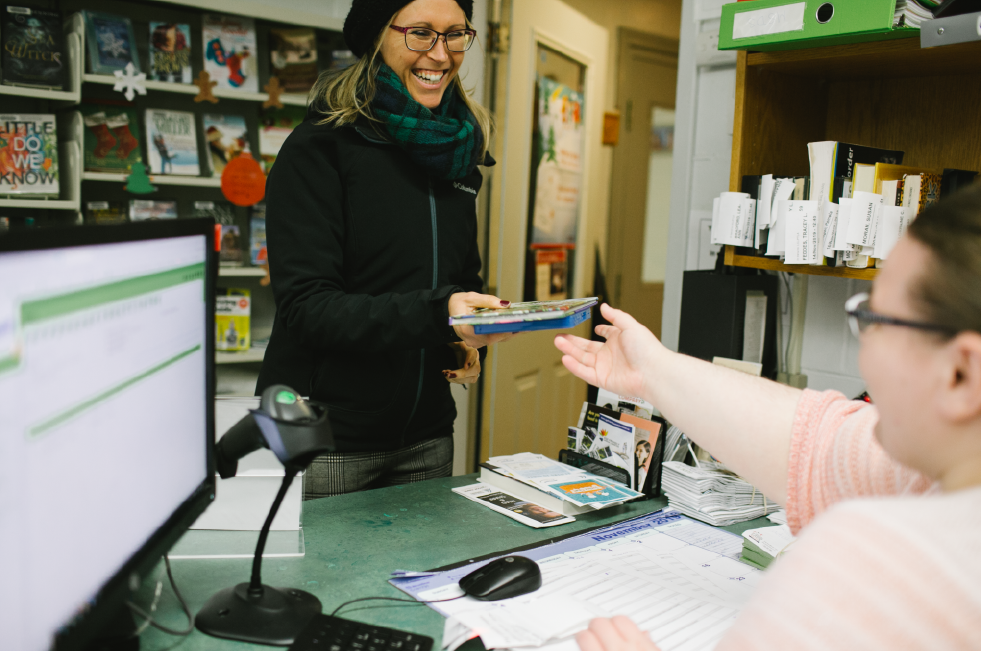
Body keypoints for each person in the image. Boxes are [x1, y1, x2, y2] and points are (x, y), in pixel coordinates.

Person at [555, 184, 981, 651]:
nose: (866, 352)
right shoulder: (936, 480)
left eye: (879, 320)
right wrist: (652, 371)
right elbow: (816, 445)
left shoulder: (878, 565)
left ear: (960, 373)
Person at [257, 0, 511, 498]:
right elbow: (308, 308)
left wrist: (463, 336)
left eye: (455, 34)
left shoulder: (459, 154)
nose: (440, 55)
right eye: (420, 33)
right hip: (325, 440)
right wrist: (441, 313)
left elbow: (459, 280)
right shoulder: (320, 148)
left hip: (427, 438)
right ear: (377, 35)